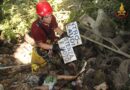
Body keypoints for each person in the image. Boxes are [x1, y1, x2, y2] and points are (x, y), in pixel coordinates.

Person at [29, 1, 65, 72]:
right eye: (46, 17)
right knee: (51, 65)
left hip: (52, 40)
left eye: (50, 15)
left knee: (62, 52)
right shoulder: (35, 28)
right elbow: (40, 44)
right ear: (40, 16)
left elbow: (56, 28)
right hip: (43, 48)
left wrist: (63, 34)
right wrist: (53, 47)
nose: (50, 18)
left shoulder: (51, 18)